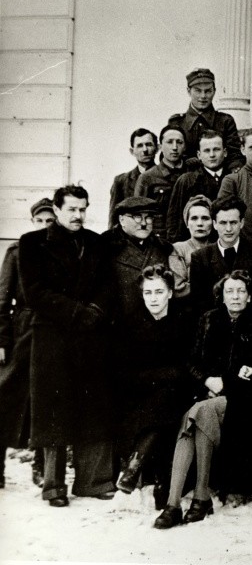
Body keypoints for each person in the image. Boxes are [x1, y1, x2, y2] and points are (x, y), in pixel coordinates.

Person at [153, 271, 252, 528]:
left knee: (196, 414)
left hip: (244, 401)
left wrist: (228, 382)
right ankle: (177, 504)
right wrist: (207, 381)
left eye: (241, 291)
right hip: (209, 395)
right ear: (222, 295)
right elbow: (192, 362)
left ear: (249, 296)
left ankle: (192, 499)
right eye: (230, 291)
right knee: (200, 413)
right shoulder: (209, 319)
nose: (235, 296)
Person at [19, 185, 116, 506]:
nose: (78, 215)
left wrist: (95, 312)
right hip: (52, 337)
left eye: (82, 209)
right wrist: (77, 312)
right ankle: (54, 486)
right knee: (53, 409)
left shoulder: (96, 243)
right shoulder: (32, 243)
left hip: (90, 336)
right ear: (57, 210)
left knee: (93, 405)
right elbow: (35, 292)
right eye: (72, 209)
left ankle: (93, 482)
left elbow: (107, 285)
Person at [115, 265, 196, 503]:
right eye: (148, 293)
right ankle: (162, 481)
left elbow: (187, 367)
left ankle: (135, 466)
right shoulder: (131, 324)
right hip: (141, 394)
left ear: (170, 293)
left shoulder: (184, 321)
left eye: (159, 292)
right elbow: (126, 371)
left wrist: (160, 376)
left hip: (177, 393)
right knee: (160, 404)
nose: (153, 298)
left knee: (166, 399)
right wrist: (159, 377)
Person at [0, 198, 55, 489]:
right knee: (6, 395)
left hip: (50, 330)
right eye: (40, 221)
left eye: (50, 221)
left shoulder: (60, 251)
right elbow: (2, 298)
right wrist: (2, 339)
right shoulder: (17, 251)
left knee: (44, 399)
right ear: (32, 222)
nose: (45, 226)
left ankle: (41, 465)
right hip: (22, 331)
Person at [188, 196, 252, 313]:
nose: (228, 229)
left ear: (241, 223)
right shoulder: (200, 257)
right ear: (214, 224)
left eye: (233, 222)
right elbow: (198, 303)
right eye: (223, 223)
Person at [102, 197, 174, 321]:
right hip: (119, 324)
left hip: (156, 323)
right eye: (137, 217)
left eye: (149, 217)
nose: (144, 223)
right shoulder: (105, 248)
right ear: (122, 220)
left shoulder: (163, 248)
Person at [173, 68, 243, 170]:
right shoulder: (177, 123)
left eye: (208, 91)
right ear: (188, 91)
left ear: (214, 91)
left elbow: (235, 156)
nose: (203, 96)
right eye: (198, 91)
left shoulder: (225, 121)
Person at [165, 130, 228, 242]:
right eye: (207, 150)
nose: (212, 155)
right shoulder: (187, 181)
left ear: (225, 152)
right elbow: (174, 220)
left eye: (216, 149)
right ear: (199, 155)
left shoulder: (233, 178)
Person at [135, 124, 188, 239]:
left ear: (185, 146)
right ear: (160, 147)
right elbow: (139, 215)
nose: (175, 147)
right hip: (160, 240)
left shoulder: (192, 174)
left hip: (188, 239)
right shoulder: (147, 178)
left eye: (179, 142)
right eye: (169, 142)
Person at [168, 195, 214, 300]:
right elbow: (178, 288)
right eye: (194, 218)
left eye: (205, 218)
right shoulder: (178, 249)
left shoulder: (218, 248)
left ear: (213, 222)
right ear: (187, 223)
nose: (200, 223)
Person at [109, 128, 157, 227]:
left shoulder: (165, 177)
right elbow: (114, 219)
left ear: (157, 148)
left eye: (149, 144)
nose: (145, 150)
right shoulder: (121, 181)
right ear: (132, 151)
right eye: (139, 146)